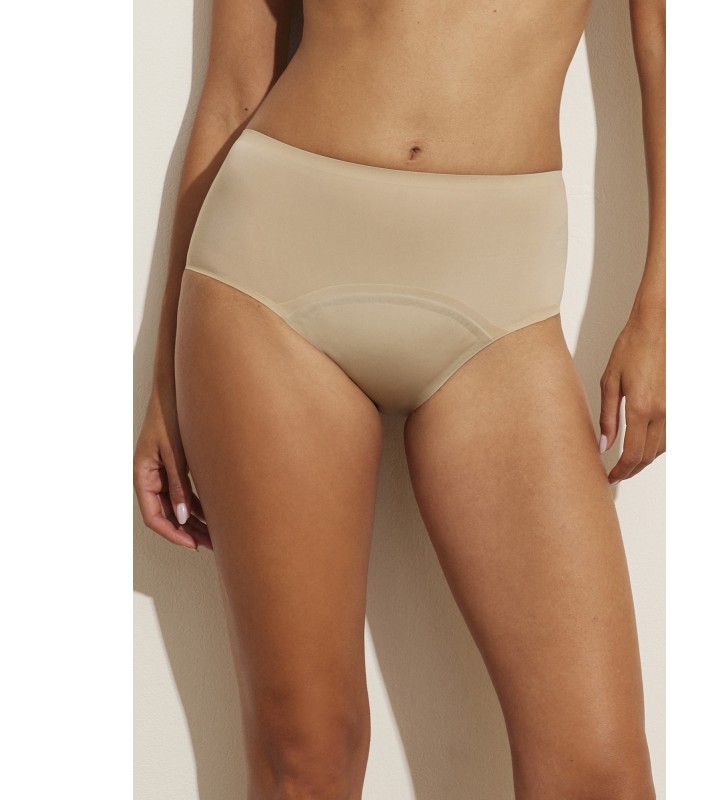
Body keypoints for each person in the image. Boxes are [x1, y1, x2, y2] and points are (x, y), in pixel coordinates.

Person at [133, 0, 665, 796]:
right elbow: (234, 87)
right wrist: (164, 379)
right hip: (271, 275)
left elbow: (670, 45)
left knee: (599, 775)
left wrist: (663, 306)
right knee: (306, 754)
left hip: (499, 300)